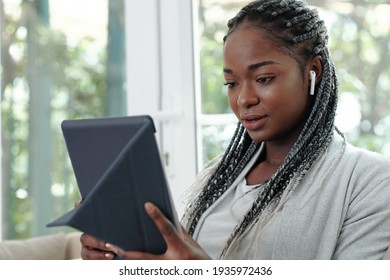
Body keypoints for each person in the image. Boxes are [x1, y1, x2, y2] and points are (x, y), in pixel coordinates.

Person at [80, 0, 390, 260]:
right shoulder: (220, 176)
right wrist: (120, 258)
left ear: (313, 71)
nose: (243, 99)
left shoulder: (369, 179)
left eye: (264, 78)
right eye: (231, 83)